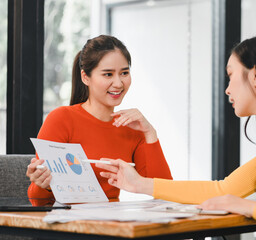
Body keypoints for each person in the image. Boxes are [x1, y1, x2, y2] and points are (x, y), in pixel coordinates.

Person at [96, 34, 256, 239]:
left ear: (255, 76)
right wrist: (139, 184)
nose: (227, 89)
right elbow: (222, 189)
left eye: (231, 76)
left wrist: (249, 207)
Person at [26, 35, 172, 200]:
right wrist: (42, 185)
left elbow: (165, 195)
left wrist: (150, 132)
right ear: (85, 77)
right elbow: (37, 200)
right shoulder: (61, 119)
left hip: (113, 222)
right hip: (70, 222)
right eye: (108, 74)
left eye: (124, 73)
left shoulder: (132, 128)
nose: (118, 83)